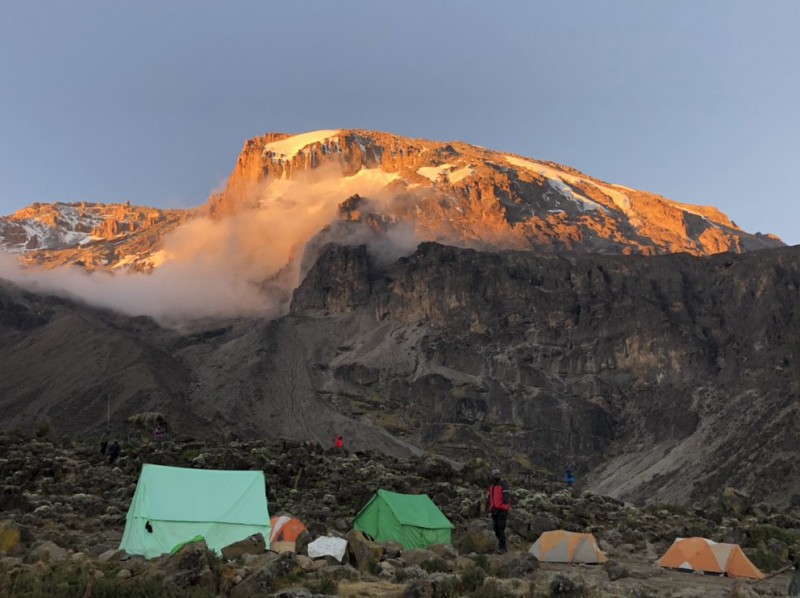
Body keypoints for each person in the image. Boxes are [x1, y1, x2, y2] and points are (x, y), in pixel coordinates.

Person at [489, 468, 510, 553]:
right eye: (495, 474)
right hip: (494, 510)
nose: (497, 475)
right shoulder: (491, 487)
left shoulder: (503, 484)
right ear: (493, 476)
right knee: (496, 528)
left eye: (498, 474)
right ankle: (501, 545)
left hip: (502, 510)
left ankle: (503, 548)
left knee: (501, 528)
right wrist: (490, 507)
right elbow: (490, 498)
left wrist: (503, 504)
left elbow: (506, 496)